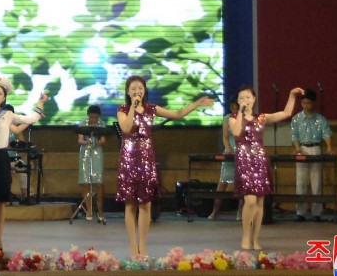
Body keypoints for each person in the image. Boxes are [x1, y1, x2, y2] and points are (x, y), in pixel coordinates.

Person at [116, 76, 213, 259]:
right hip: (129, 160)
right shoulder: (122, 110)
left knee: (146, 204)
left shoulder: (152, 109)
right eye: (134, 88)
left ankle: (143, 247)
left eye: (140, 88)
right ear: (128, 92)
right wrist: (133, 109)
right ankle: (132, 246)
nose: (138, 91)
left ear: (145, 90)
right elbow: (127, 129)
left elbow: (178, 114)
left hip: (146, 160)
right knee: (130, 204)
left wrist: (197, 103)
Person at [0, 76, 49, 251]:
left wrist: (41, 102)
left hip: (1, 158)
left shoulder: (8, 115)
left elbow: (31, 119)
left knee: (0, 202)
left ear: (4, 98)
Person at [230, 84, 305, 251]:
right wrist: (242, 112)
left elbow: (285, 113)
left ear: (254, 99)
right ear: (238, 101)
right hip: (244, 161)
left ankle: (255, 239)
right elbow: (236, 133)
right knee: (249, 200)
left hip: (259, 160)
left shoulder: (262, 118)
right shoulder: (234, 117)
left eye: (248, 97)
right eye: (241, 98)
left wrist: (292, 95)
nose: (245, 100)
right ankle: (245, 236)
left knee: (259, 202)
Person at [289, 88, 333, 222]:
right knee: (301, 181)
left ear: (313, 103)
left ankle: (317, 212)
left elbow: (326, 133)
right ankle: (300, 212)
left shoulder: (320, 119)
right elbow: (294, 135)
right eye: (303, 103)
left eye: (308, 103)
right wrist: (297, 149)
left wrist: (329, 146)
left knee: (316, 181)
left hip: (315, 148)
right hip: (302, 148)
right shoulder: (296, 119)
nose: (306, 106)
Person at [207, 99, 241, 220]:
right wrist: (228, 148)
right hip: (230, 152)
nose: (233, 109)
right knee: (223, 182)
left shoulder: (246, 118)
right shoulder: (227, 118)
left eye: (235, 107)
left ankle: (240, 212)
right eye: (231, 107)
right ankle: (215, 211)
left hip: (243, 153)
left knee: (241, 184)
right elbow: (225, 137)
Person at [77, 104, 106, 222]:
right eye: (91, 117)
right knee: (85, 182)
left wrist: (98, 142)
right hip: (85, 152)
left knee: (98, 182)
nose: (93, 119)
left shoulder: (101, 125)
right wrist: (86, 142)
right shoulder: (82, 124)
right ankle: (89, 210)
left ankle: (100, 210)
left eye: (95, 117)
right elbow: (79, 140)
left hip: (96, 152)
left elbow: (103, 140)